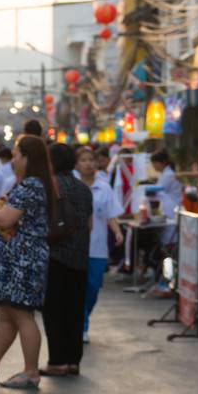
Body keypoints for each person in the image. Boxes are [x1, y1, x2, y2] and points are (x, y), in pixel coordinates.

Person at [0, 134, 57, 390]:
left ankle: (31, 372)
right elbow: (8, 215)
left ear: (28, 158)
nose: (13, 160)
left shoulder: (31, 186)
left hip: (23, 261)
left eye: (17, 155)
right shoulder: (29, 185)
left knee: (22, 314)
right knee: (6, 313)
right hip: (13, 260)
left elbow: (5, 220)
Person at [40, 143, 93, 376]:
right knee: (74, 309)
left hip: (56, 254)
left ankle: (58, 360)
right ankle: (73, 361)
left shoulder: (50, 186)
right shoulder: (84, 189)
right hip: (80, 256)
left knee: (54, 310)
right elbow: (88, 224)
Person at [76, 145, 125, 340]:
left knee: (93, 287)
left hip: (98, 248)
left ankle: (84, 317)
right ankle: (82, 326)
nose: (88, 164)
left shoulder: (104, 187)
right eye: (84, 161)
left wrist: (117, 231)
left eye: (91, 160)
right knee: (78, 287)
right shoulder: (73, 185)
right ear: (77, 164)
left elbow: (110, 214)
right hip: (76, 247)